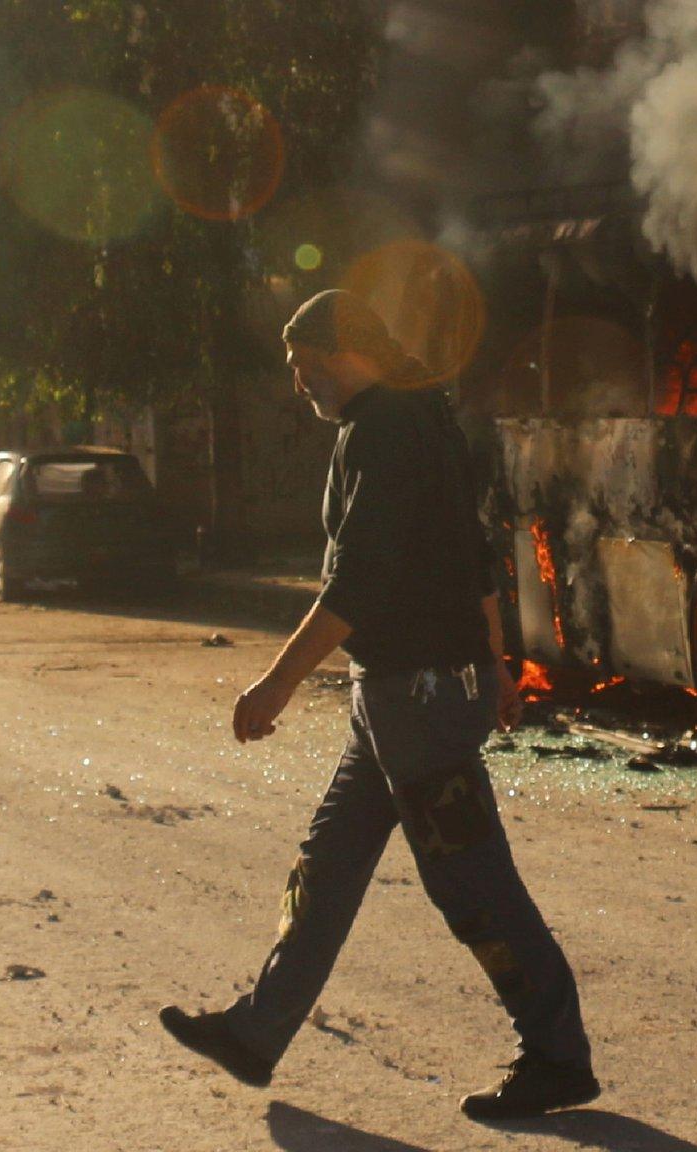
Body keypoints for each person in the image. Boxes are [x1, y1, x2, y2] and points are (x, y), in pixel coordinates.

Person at [159, 290, 598, 1121]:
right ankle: (257, 1033)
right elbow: (473, 556)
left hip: (419, 697)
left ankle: (556, 1054)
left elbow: (358, 579)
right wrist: (497, 665)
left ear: (335, 352)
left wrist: (277, 681)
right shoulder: (423, 419)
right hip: (404, 696)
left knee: (472, 883)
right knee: (327, 866)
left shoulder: (379, 433)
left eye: (301, 366)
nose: (299, 385)